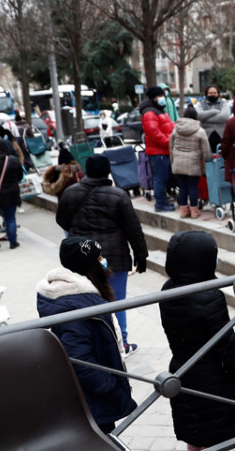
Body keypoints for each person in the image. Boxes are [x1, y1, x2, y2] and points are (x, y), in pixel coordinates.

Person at [158, 231, 235, 451]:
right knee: (221, 444)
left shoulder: (168, 290)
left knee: (196, 437)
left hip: (183, 373)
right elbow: (226, 345)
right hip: (214, 381)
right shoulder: (209, 297)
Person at [37, 236, 138, 433]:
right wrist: (111, 387)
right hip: (91, 401)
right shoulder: (77, 306)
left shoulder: (78, 296)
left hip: (90, 398)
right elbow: (78, 359)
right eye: (99, 257)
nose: (104, 260)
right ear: (88, 265)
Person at [56, 155, 149, 355]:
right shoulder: (118, 195)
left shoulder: (70, 193)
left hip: (81, 259)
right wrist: (141, 255)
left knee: (86, 299)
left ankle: (94, 344)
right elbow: (133, 229)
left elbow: (62, 221)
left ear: (86, 170)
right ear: (108, 171)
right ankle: (121, 344)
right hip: (113, 258)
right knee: (116, 301)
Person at [169, 107, 211, 218]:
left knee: (182, 187)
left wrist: (172, 161)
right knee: (193, 187)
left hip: (178, 162)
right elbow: (206, 151)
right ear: (196, 117)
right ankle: (194, 211)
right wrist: (207, 164)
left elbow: (171, 147)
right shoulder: (200, 131)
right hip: (193, 163)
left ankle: (183, 211)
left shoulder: (176, 129)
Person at [140, 85, 176, 212]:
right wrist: (169, 142)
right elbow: (154, 133)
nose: (163, 98)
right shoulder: (150, 112)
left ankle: (163, 201)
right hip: (158, 152)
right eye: (160, 96)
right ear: (154, 97)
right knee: (160, 178)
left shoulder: (159, 109)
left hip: (163, 150)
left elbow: (170, 125)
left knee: (164, 177)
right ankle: (160, 204)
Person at [198, 85, 232, 154]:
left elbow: (225, 117)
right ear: (206, 94)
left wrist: (205, 119)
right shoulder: (201, 104)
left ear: (218, 94)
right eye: (210, 93)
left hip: (222, 138)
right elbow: (199, 116)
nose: (212, 94)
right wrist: (215, 111)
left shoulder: (223, 103)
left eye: (214, 93)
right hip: (206, 139)